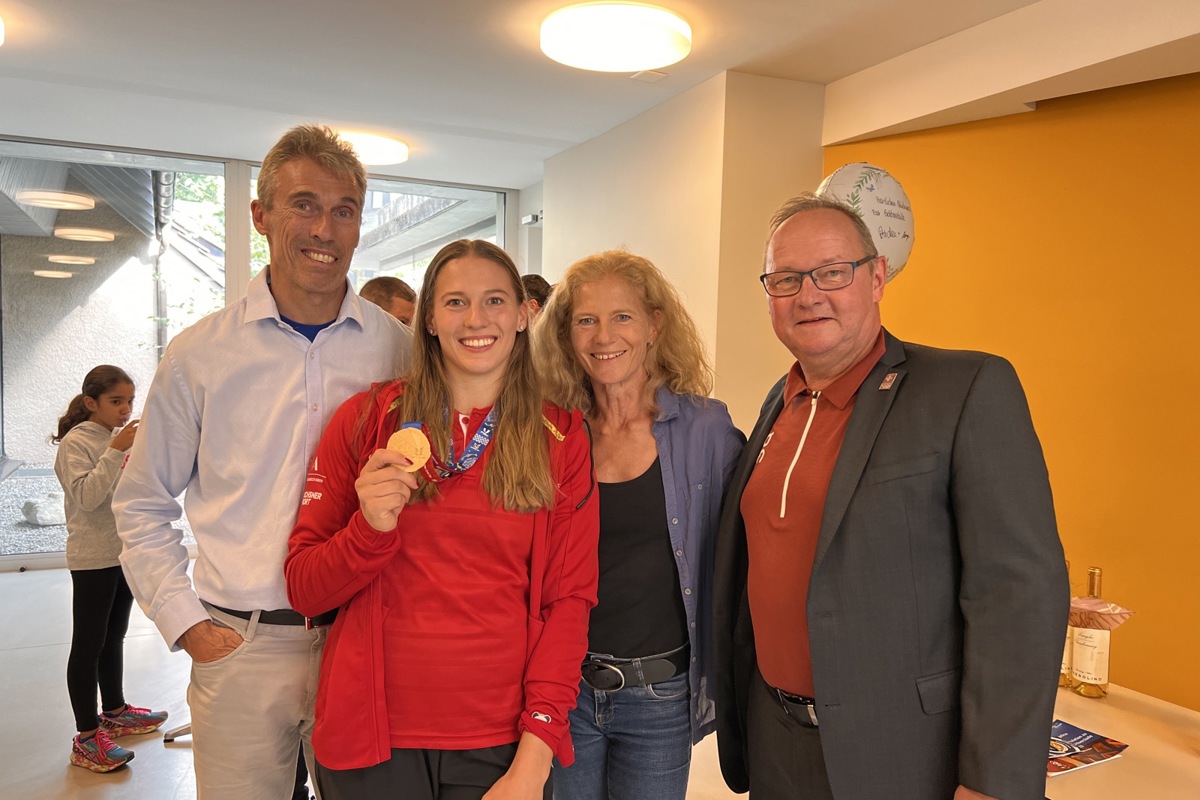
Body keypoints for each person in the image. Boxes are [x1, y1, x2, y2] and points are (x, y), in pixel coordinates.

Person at [712, 193, 1069, 800]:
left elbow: (1019, 596)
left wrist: (993, 781)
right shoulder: (781, 400)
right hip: (778, 737)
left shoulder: (965, 389)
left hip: (902, 752)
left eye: (831, 272)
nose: (808, 294)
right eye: (786, 279)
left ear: (876, 276)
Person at [114, 124, 412, 798]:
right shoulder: (200, 354)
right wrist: (188, 626)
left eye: (344, 211)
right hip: (240, 645)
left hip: (363, 641)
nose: (324, 229)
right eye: (303, 204)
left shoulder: (398, 351)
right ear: (261, 215)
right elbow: (141, 502)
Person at [285, 239, 599, 800]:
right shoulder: (364, 421)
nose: (476, 320)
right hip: (370, 742)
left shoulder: (562, 437)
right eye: (455, 302)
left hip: (500, 746)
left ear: (525, 314)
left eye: (495, 300)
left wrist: (533, 761)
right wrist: (368, 531)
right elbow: (306, 590)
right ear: (428, 317)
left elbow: (568, 605)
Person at [533, 251, 744, 800]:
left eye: (622, 316)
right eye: (586, 320)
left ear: (655, 325)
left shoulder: (706, 429)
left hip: (660, 697)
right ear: (566, 335)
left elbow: (745, 553)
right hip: (565, 691)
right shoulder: (554, 435)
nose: (604, 336)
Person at [52, 365, 168, 773]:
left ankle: (114, 711)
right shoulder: (77, 443)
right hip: (92, 558)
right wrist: (117, 449)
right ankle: (85, 738)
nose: (125, 409)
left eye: (129, 401)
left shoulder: (115, 438)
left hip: (123, 554)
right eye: (116, 401)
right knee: (88, 645)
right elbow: (87, 496)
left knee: (113, 637)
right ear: (91, 403)